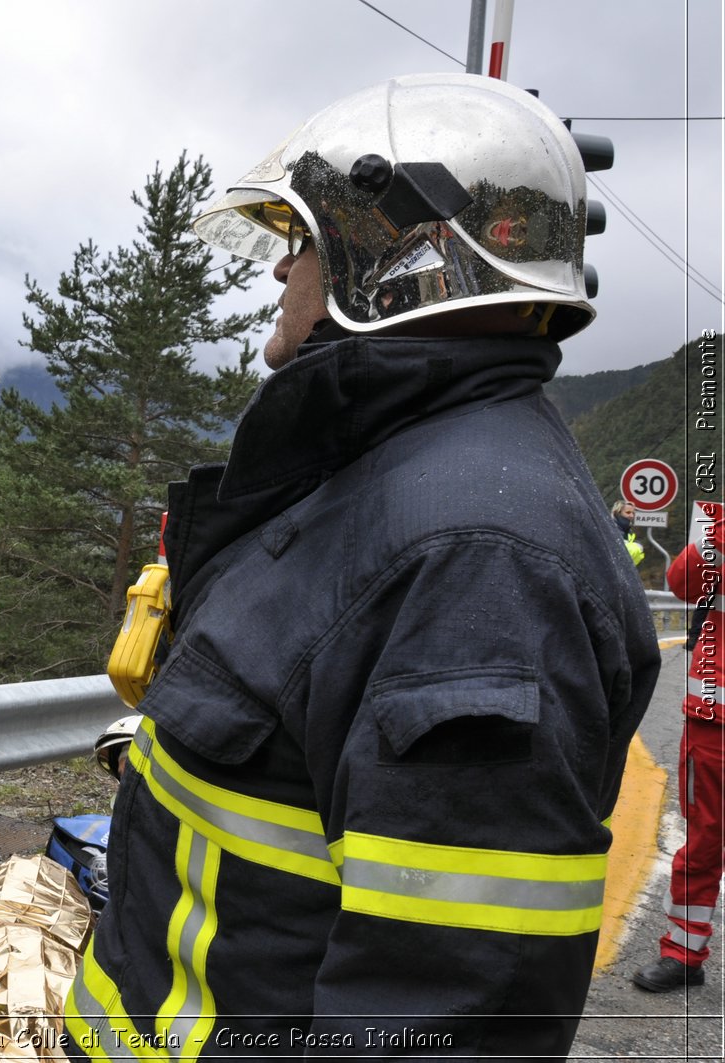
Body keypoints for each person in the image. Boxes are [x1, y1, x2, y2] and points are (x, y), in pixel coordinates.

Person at [65, 74, 660, 1058]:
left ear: (389, 261)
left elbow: (443, 1016)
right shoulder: (392, 479)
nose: (279, 275)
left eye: (300, 244)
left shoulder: (478, 566)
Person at [632, 509, 721, 993]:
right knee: (702, 844)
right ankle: (683, 954)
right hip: (711, 723)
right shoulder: (720, 531)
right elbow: (683, 583)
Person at [612, 500, 646, 567]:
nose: (631, 516)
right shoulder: (612, 528)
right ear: (617, 513)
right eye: (628, 512)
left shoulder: (628, 531)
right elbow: (622, 553)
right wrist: (639, 546)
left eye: (633, 513)